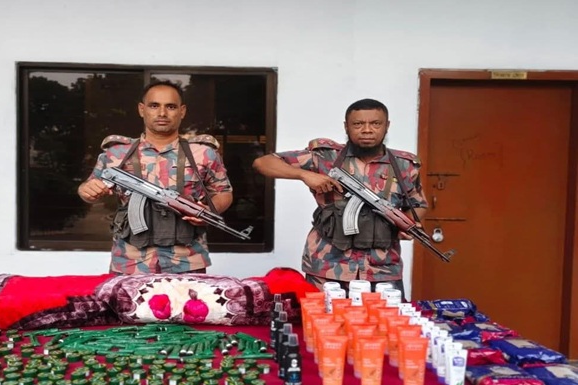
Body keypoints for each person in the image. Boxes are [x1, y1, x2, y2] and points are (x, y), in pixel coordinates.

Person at [252, 98, 427, 297]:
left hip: (382, 269)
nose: (367, 130)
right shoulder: (324, 157)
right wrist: (304, 175)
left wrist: (406, 224)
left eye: (375, 123)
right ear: (346, 127)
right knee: (321, 315)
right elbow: (263, 163)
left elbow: (418, 204)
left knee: (383, 316)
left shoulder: (404, 165)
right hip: (328, 266)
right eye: (358, 124)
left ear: (387, 126)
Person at [77, 80, 234, 274]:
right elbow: (89, 189)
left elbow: (223, 192)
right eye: (154, 105)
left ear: (182, 111)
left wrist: (209, 211)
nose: (162, 113)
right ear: (141, 109)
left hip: (187, 261)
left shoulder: (203, 153)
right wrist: (87, 191)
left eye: (171, 106)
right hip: (130, 261)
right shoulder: (117, 153)